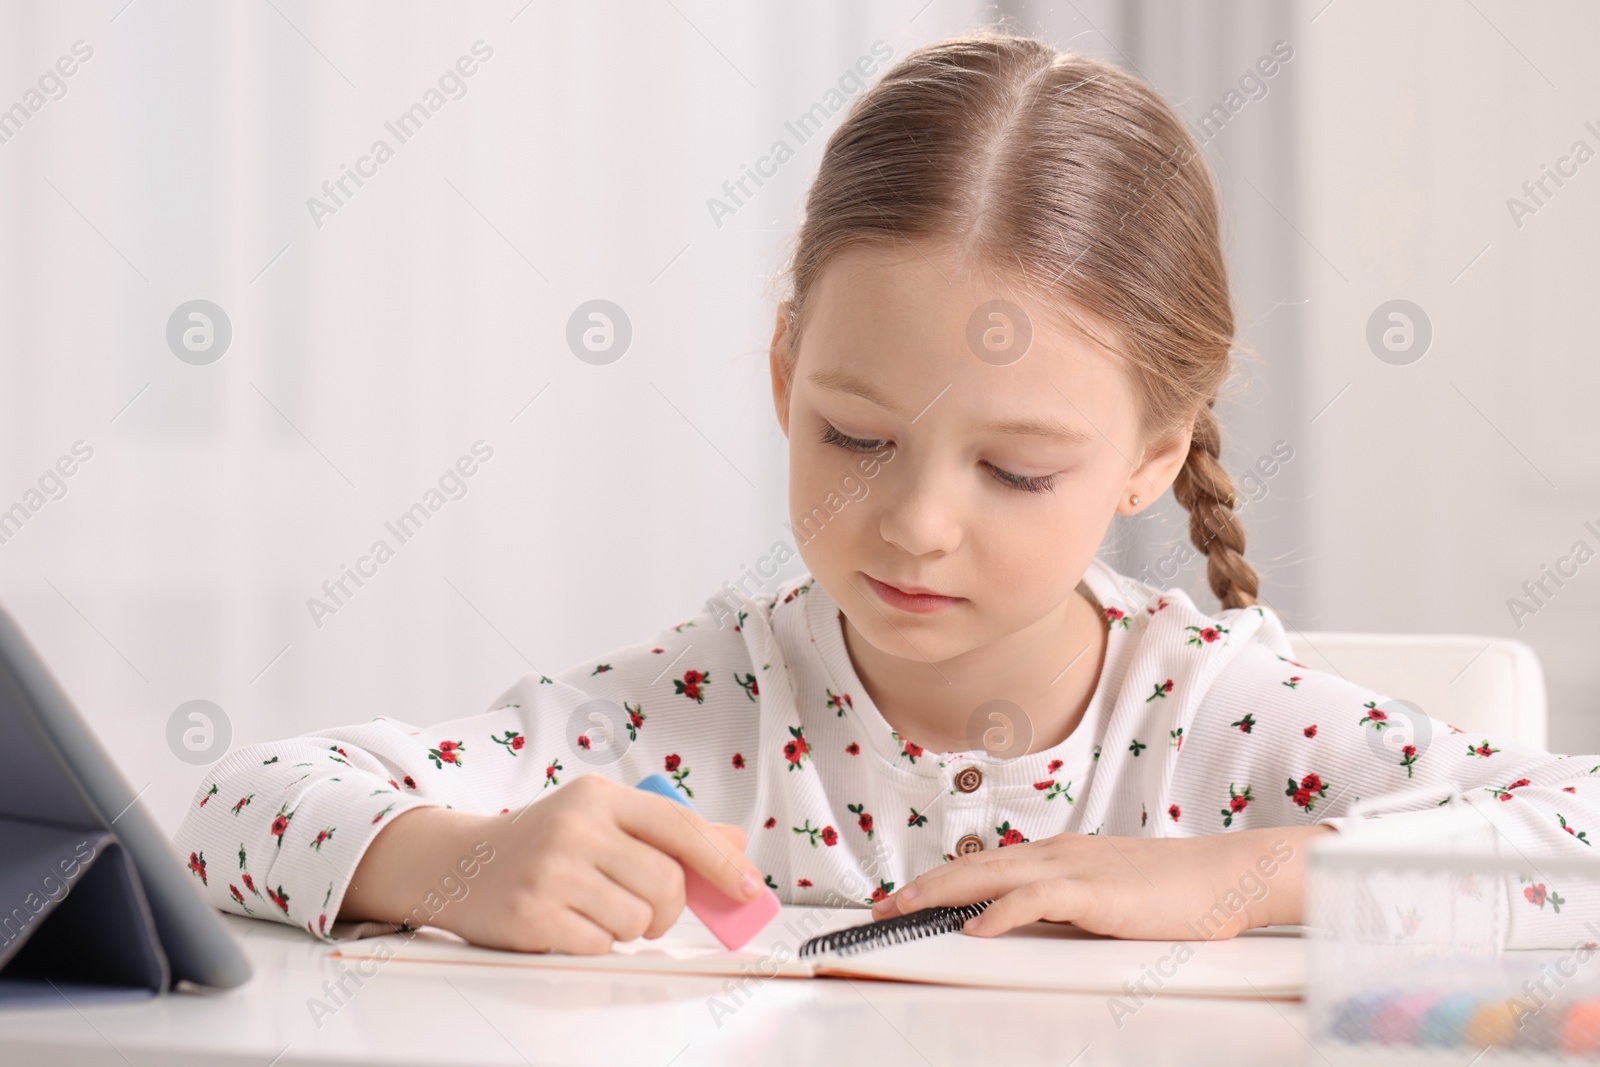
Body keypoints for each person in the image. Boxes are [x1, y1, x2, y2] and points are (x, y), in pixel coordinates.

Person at [173, 30, 1600, 955]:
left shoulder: (1219, 722)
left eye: (1017, 469)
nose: (915, 523)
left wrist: (1234, 881)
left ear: (1155, 452)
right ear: (787, 372)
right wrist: (456, 865)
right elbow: (232, 805)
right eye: (859, 437)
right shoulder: (700, 717)